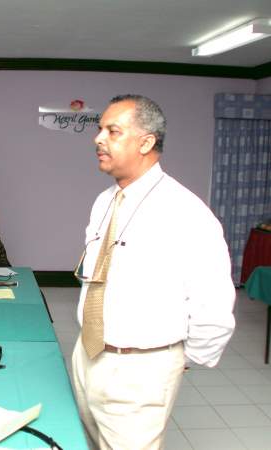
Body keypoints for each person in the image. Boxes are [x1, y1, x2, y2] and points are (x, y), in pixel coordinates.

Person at [71, 94, 235, 450]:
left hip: (139, 369)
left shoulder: (186, 212)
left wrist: (173, 361)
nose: (97, 139)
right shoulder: (105, 201)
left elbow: (214, 307)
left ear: (146, 142)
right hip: (88, 355)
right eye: (100, 130)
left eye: (113, 131)